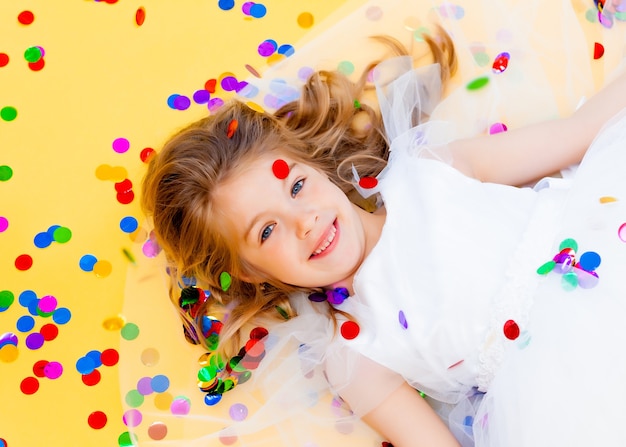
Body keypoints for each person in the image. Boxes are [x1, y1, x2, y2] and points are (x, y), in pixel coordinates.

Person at [136, 9, 626, 447]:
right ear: (247, 272)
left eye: (297, 186)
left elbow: (577, 134)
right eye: (267, 232)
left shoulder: (432, 171)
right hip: (563, 392)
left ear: (316, 166)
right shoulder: (353, 353)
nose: (304, 222)